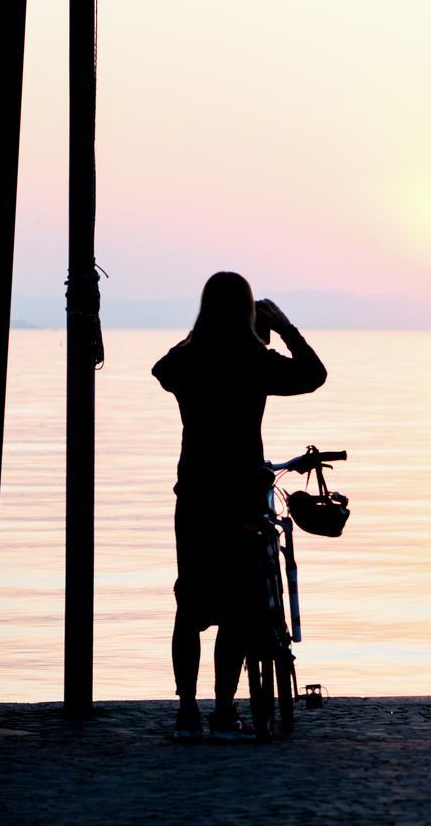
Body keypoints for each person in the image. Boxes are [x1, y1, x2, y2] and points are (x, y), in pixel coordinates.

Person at [152, 272, 327, 742]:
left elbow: (161, 369)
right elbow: (314, 376)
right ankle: (225, 711)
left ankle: (187, 711)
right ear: (253, 312)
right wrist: (283, 329)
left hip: (195, 497)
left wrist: (201, 333)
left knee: (190, 602)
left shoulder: (188, 361)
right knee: (237, 604)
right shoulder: (255, 361)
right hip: (243, 496)